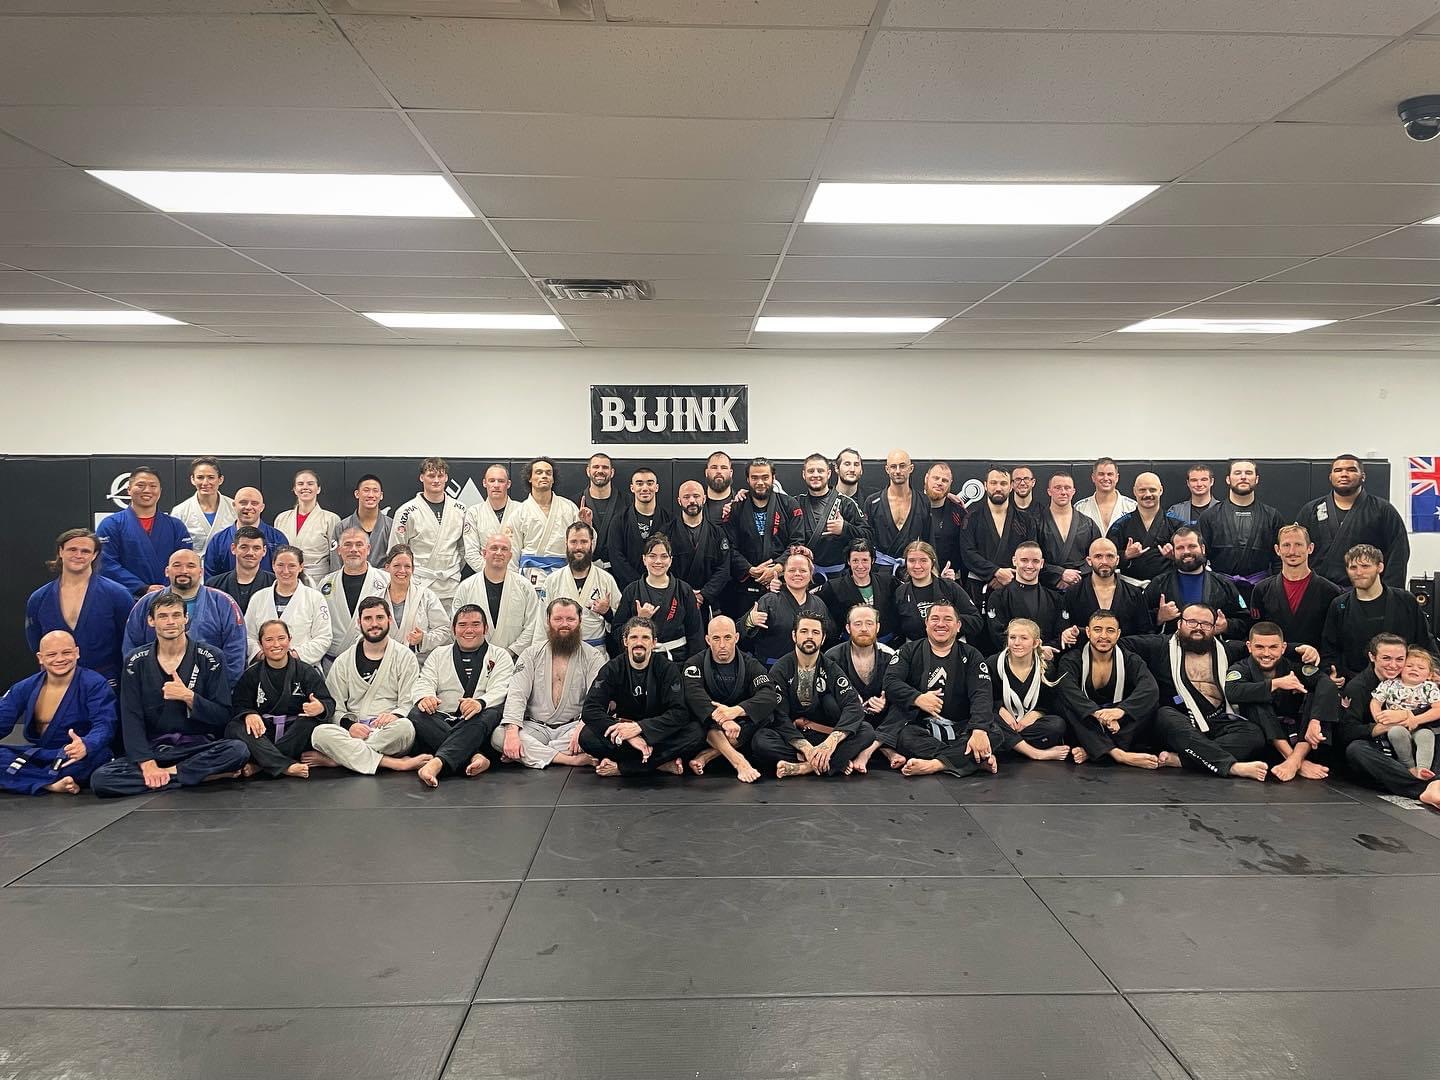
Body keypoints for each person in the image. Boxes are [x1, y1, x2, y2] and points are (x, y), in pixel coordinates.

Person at [90, 592, 247, 798]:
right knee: (101, 779)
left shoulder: (210, 657)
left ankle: (169, 775)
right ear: (151, 621)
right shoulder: (135, 662)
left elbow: (222, 715)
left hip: (197, 748)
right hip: (155, 749)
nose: (170, 622)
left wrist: (189, 697)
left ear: (186, 618)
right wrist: (147, 763)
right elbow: (131, 717)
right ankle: (199, 777)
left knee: (238, 750)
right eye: (163, 616)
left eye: (176, 615)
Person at [1128, 603, 1270, 782]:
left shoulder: (1228, 649)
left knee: (1254, 734)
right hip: (1179, 721)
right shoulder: (1158, 645)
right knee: (1164, 715)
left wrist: (1297, 649)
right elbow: (1119, 643)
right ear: (1179, 623)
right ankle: (1231, 766)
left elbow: (1261, 648)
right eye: (1192, 622)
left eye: (1205, 624)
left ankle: (1183, 760)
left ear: (1214, 628)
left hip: (1217, 719)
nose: (1198, 628)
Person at [308, 597, 430, 775]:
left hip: (387, 732)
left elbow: (407, 703)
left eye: (380, 617)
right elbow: (335, 705)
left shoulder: (405, 657)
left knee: (405, 728)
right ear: (359, 622)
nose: (374, 624)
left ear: (389, 619)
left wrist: (394, 716)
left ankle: (339, 759)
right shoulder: (343, 661)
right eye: (368, 618)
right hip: (354, 731)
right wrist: (350, 726)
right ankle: (393, 763)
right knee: (319, 733)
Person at [752, 614, 879, 778]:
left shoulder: (831, 668)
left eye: (815, 632)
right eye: (804, 631)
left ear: (823, 638)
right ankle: (831, 762)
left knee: (867, 731)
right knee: (761, 740)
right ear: (794, 635)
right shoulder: (781, 669)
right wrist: (806, 748)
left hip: (824, 735)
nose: (810, 637)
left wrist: (831, 743)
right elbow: (778, 715)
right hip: (793, 736)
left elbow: (853, 706)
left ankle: (806, 767)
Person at [882, 600, 997, 778]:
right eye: (935, 619)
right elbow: (890, 682)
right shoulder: (908, 650)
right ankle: (971, 760)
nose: (941, 624)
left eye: (948, 619)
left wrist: (979, 730)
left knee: (994, 732)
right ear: (926, 623)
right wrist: (917, 698)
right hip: (924, 728)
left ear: (958, 625)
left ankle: (935, 764)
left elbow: (982, 694)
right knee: (904, 736)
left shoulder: (972, 655)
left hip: (961, 726)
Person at [579, 617, 704, 777]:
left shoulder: (667, 669)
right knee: (587, 736)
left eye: (645, 637)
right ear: (625, 641)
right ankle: (659, 763)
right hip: (625, 734)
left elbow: (679, 713)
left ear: (654, 642)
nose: (639, 643)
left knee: (696, 732)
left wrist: (640, 728)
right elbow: (590, 709)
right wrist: (628, 735)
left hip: (657, 732)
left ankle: (625, 767)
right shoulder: (612, 668)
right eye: (634, 637)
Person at [491, 598, 605, 770]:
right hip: (535, 727)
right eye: (558, 619)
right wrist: (512, 732)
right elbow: (517, 695)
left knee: (597, 733)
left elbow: (597, 700)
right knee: (499, 735)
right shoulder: (530, 654)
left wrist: (582, 726)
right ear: (548, 621)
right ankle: (567, 759)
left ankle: (530, 753)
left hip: (573, 729)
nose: (564, 624)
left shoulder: (593, 657)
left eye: (570, 619)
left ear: (580, 621)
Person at [411, 604, 516, 788]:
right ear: (453, 630)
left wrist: (480, 703)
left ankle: (437, 763)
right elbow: (425, 680)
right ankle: (474, 756)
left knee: (491, 713)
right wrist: (426, 697)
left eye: (475, 624)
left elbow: (502, 689)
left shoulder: (500, 655)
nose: (469, 630)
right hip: (443, 719)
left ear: (485, 628)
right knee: (416, 713)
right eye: (462, 625)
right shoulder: (438, 654)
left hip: (478, 721)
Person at [0, 630, 115, 795]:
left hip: (73, 755)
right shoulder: (25, 687)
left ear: (77, 653)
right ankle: (50, 784)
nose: (60, 659)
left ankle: (28, 780)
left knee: (96, 759)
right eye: (52, 654)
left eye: (66, 652)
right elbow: (2, 718)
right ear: (40, 657)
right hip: (41, 754)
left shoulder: (95, 683)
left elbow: (105, 724)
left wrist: (86, 744)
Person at [1334, 635, 1440, 809]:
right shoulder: (1358, 687)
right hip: (1382, 748)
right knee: (1356, 750)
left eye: (1400, 659)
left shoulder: (1423, 683)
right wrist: (1386, 724)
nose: (1393, 665)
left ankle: (1430, 779)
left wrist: (1405, 715)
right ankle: (1425, 787)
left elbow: (1435, 711)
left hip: (1416, 740)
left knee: (1432, 736)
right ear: (1372, 657)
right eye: (1386, 658)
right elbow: (1347, 732)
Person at [1225, 621, 1336, 782]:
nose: (1266, 653)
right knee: (1255, 701)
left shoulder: (1293, 666)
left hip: (1300, 735)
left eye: (1273, 647)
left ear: (1283, 648)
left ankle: (1295, 759)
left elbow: (1326, 683)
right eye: (1259, 647)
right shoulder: (1241, 668)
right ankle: (1296, 761)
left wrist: (1315, 720)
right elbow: (1232, 691)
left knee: (1315, 694)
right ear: (1249, 647)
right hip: (1264, 738)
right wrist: (1276, 684)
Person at [227, 619, 335, 780]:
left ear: (290, 640)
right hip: (264, 732)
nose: (276, 644)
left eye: (281, 638)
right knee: (235, 727)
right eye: (269, 640)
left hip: (295, 735)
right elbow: (239, 704)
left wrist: (320, 707)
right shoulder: (251, 674)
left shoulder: (305, 671)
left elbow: (329, 703)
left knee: (310, 722)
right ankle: (284, 765)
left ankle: (262, 765)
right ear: (260, 644)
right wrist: (249, 714)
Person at [1053, 610, 1162, 769]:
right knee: (1065, 704)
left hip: (1116, 720)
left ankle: (1093, 750)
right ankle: (1117, 754)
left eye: (1110, 630)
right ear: (1088, 632)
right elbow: (1068, 691)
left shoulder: (1130, 659)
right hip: (1087, 722)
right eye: (1097, 630)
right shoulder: (1071, 659)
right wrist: (1098, 714)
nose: (1103, 636)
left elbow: (1149, 688)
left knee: (1151, 703)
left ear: (1118, 634)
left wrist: (1121, 711)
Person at [26, 528, 133, 687]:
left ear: (94, 555)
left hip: (106, 681)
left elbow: (129, 641)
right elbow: (36, 642)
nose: (78, 555)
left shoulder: (118, 594)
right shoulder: (39, 599)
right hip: (57, 682)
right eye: (72, 549)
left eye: (85, 551)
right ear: (60, 552)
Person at [122, 549, 247, 682]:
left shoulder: (223, 602)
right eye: (177, 565)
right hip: (154, 684)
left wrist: (222, 686)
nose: (183, 571)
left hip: (210, 686)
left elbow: (236, 650)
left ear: (201, 572)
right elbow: (131, 647)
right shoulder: (146, 603)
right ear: (167, 571)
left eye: (190, 566)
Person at [682, 614, 777, 781]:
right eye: (716, 638)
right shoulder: (694, 664)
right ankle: (739, 761)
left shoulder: (751, 664)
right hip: (710, 723)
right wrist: (723, 720)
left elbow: (768, 694)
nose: (722, 645)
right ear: (707, 640)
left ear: (736, 638)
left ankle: (708, 755)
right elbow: (694, 694)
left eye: (727, 637)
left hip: (739, 726)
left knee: (766, 715)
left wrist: (736, 711)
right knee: (696, 717)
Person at [1321, 543, 1436, 681]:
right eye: (1353, 567)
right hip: (1355, 683)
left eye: (1365, 566)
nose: (1359, 573)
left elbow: (1425, 641)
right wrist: (1331, 673)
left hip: (1403, 682)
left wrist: (1434, 670)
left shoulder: (1406, 601)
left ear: (1380, 567)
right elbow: (1329, 649)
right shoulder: (1339, 606)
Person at [1297, 454, 1410, 589]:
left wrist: (1390, 592)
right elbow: (1296, 550)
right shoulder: (1311, 510)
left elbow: (1398, 553)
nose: (1344, 474)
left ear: (1363, 476)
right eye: (1338, 470)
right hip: (1319, 589)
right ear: (1330, 477)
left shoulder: (1382, 510)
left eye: (1351, 470)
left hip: (1365, 589)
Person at [1248, 525, 1341, 668]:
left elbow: (1335, 640)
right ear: (1277, 550)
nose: (1292, 551)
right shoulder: (1261, 590)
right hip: (1273, 668)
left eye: (1298, 544)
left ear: (1310, 548)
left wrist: (1330, 668)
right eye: (1286, 545)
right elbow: (1256, 633)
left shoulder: (1331, 591)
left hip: (1315, 668)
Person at [97, 466, 193, 595]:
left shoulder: (176, 526)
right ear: (129, 490)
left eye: (153, 486)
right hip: (125, 596)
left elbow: (185, 561)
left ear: (160, 491)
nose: (147, 490)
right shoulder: (111, 524)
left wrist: (166, 589)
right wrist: (141, 587)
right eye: (140, 485)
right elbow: (106, 564)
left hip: (169, 597)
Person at [825, 603, 901, 765]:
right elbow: (827, 695)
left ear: (878, 627)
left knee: (906, 705)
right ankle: (884, 748)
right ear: (848, 628)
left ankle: (871, 748)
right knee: (829, 703)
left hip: (880, 719)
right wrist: (851, 702)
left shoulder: (891, 656)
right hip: (849, 720)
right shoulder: (832, 657)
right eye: (858, 624)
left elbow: (897, 689)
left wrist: (885, 702)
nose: (864, 629)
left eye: (869, 623)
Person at [723, 457, 804, 610]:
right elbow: (729, 547)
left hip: (781, 582)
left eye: (765, 477)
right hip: (744, 587)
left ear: (773, 478)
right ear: (747, 479)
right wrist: (749, 569)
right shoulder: (736, 508)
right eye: (754, 477)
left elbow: (797, 543)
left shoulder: (789, 505)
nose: (760, 482)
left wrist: (778, 567)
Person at [1144, 526, 1250, 638]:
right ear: (1173, 552)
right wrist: (1159, 617)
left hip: (1212, 645)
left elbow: (1245, 621)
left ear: (1202, 548)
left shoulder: (1223, 584)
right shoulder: (1159, 583)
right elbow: (1139, 622)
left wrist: (1226, 626)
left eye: (1192, 546)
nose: (1186, 552)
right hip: (1170, 645)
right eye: (1180, 548)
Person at [990, 618, 1071, 762]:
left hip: (1026, 726)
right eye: (1012, 637)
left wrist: (1037, 714)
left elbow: (1049, 703)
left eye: (1024, 638)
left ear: (1036, 643)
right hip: (1002, 721)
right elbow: (985, 698)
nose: (1017, 643)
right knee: (989, 721)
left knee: (1057, 725)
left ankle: (1007, 746)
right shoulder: (993, 664)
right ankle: (1034, 753)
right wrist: (1000, 709)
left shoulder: (1046, 669)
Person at [451, 532, 543, 658]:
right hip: (474, 657)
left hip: (514, 658)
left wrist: (510, 652)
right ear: (484, 553)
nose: (499, 552)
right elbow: (456, 624)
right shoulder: (466, 587)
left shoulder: (525, 587)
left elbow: (532, 624)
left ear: (510, 556)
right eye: (494, 548)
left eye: (504, 549)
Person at [392, 457, 466, 611]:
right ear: (422, 477)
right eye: (431, 476)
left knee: (451, 624)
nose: (436, 480)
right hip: (420, 583)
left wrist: (453, 568)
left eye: (440, 476)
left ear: (446, 478)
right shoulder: (406, 512)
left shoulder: (461, 509)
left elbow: (464, 548)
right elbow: (396, 551)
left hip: (451, 583)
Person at [613, 535, 703, 661]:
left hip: (677, 659)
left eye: (664, 556)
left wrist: (694, 664)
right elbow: (617, 632)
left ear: (671, 560)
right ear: (644, 559)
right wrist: (639, 620)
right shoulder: (631, 591)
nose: (658, 561)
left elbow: (696, 633)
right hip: (640, 659)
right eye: (652, 556)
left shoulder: (684, 590)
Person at [1196, 460, 1284, 585]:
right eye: (1237, 473)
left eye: (1248, 473)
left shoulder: (1272, 516)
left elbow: (1279, 560)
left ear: (1256, 479)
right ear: (1228, 479)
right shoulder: (1209, 516)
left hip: (1261, 588)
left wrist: (1275, 588)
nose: (1243, 477)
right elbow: (1201, 557)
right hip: (1220, 587)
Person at [242, 545, 332, 666]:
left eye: (292, 566)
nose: (285, 571)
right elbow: (247, 635)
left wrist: (292, 656)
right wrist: (263, 654)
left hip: (302, 667)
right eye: (280, 565)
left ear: (301, 567)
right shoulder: (258, 598)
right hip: (264, 667)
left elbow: (323, 637)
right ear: (273, 566)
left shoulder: (315, 598)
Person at [743, 549, 836, 665]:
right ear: (784, 574)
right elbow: (742, 636)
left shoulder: (819, 604)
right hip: (771, 668)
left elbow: (830, 636)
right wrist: (749, 621)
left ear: (810, 574)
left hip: (807, 667)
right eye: (792, 570)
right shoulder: (769, 600)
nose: (797, 574)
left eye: (803, 570)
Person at [958, 468, 1037, 602]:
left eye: (1003, 483)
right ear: (985, 485)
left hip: (1015, 584)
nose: (998, 488)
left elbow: (1032, 553)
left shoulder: (1026, 520)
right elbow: (967, 553)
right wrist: (995, 572)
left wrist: (1009, 575)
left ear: (1011, 486)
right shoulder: (971, 518)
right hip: (979, 587)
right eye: (993, 483)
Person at [541, 522, 622, 649]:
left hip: (595, 651)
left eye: (584, 542)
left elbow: (621, 622)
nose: (578, 547)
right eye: (573, 542)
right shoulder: (552, 580)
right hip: (561, 650)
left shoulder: (605, 579)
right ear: (566, 544)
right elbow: (542, 624)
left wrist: (607, 612)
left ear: (591, 544)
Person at [318, 527, 390, 666]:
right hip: (334, 663)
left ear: (368, 549)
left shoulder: (386, 581)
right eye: (347, 544)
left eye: (359, 544)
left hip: (376, 660)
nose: (353, 549)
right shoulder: (325, 584)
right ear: (339, 550)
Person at [671, 479, 742, 615]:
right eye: (686, 497)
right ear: (679, 501)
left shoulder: (718, 533)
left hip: (709, 603)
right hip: (676, 601)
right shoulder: (667, 532)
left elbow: (724, 570)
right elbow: (663, 568)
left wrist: (703, 595)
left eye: (696, 496)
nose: (692, 501)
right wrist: (684, 593)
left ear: (704, 499)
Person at [1060, 537, 1150, 643]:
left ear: (1117, 560)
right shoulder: (1073, 592)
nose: (1104, 561)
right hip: (1083, 651)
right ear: (1089, 561)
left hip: (1125, 651)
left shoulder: (1134, 593)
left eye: (1110, 556)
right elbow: (1065, 630)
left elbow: (1145, 633)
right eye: (1098, 556)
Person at [1369, 646, 1440, 779]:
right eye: (1409, 666)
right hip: (1395, 725)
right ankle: (1409, 766)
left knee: (1427, 736)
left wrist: (1416, 720)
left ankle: (1423, 768)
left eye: (1421, 668)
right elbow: (1375, 702)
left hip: (1420, 726)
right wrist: (1379, 718)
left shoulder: (1429, 687)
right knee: (1396, 733)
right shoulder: (1390, 684)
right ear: (1401, 669)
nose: (1414, 669)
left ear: (1430, 675)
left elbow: (1438, 708)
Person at [983, 541, 1066, 654]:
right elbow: (998, 635)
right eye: (1024, 560)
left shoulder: (1055, 598)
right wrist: (1034, 651)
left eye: (1035, 561)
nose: (1030, 566)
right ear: (1014, 561)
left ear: (1042, 563)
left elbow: (1061, 634)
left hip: (1047, 660)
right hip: (1010, 660)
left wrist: (1044, 651)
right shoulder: (998, 597)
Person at [794, 452, 870, 574]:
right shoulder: (795, 503)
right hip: (804, 573)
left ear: (828, 474)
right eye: (811, 471)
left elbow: (868, 535)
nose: (816, 475)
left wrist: (845, 528)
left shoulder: (845, 503)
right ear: (804, 474)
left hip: (838, 575)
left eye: (820, 471)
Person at [893, 541, 982, 644]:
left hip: (951, 647)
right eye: (912, 561)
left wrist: (949, 621)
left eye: (923, 560)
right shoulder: (900, 592)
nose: (917, 566)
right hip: (915, 649)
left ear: (932, 562)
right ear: (906, 563)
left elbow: (976, 621)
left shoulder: (950, 587)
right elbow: (896, 629)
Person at [513, 457, 582, 584]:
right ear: (530, 478)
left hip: (563, 572)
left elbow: (583, 544)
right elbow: (513, 550)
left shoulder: (568, 507)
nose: (544, 476)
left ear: (553, 479)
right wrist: (513, 581)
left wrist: (587, 525)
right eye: (539, 472)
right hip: (530, 575)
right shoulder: (519, 512)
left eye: (548, 473)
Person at [606, 466, 676, 588]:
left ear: (656, 487)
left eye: (650, 483)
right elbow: (616, 557)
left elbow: (673, 556)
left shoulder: (670, 520)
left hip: (663, 587)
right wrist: (639, 585)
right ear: (632, 488)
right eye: (639, 484)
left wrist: (656, 583)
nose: (645, 488)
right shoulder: (619, 520)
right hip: (628, 588)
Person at [381, 544, 452, 662]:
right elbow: (362, 630)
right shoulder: (377, 598)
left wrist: (423, 638)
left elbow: (444, 629)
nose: (402, 570)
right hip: (383, 661)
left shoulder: (426, 596)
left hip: (418, 663)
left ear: (413, 569)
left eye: (407, 566)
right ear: (387, 568)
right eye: (397, 565)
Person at [820, 540, 900, 643]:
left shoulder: (889, 582)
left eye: (865, 560)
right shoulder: (833, 587)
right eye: (855, 561)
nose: (860, 566)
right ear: (848, 561)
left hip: (888, 643)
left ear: (872, 560)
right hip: (850, 644)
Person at [1106, 472, 1178, 586]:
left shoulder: (1176, 524)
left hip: (1166, 585)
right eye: (1142, 490)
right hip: (1130, 587)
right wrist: (1126, 555)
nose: (1148, 494)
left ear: (1161, 490)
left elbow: (1192, 556)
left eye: (1152, 490)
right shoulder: (1120, 525)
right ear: (1134, 491)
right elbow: (1106, 558)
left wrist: (1175, 555)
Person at [202, 487, 286, 578]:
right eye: (243, 503)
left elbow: (284, 574)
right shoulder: (218, 541)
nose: (248, 507)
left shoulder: (278, 539)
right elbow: (210, 579)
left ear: (262, 507)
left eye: (254, 503)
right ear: (234, 505)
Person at [865, 449, 929, 568]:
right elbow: (866, 541)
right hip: (880, 569)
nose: (898, 471)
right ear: (887, 469)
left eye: (902, 466)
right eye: (893, 467)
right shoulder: (872, 502)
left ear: (911, 468)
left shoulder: (923, 501)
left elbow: (928, 541)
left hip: (913, 568)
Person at [1037, 471, 1100, 590]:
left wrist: (1076, 576)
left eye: (1067, 488)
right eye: (1057, 488)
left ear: (1073, 491)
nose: (1063, 492)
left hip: (1080, 586)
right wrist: (1059, 574)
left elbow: (1098, 557)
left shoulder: (1088, 524)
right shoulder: (1036, 522)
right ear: (1049, 491)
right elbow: (1030, 559)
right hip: (1047, 587)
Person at [275, 468, 341, 582]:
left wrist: (334, 581)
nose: (305, 487)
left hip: (318, 578)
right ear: (295, 489)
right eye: (300, 484)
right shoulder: (281, 518)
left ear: (318, 489)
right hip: (286, 575)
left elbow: (336, 556)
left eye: (310, 484)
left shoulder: (331, 519)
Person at [171, 456, 234, 561]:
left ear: (220, 479)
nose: (205, 483)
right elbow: (174, 547)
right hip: (194, 567)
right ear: (193, 479)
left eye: (211, 477)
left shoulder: (234, 508)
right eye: (200, 477)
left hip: (228, 566)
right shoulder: (180, 512)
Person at [462, 464, 519, 573]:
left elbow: (526, 549)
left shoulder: (521, 510)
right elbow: (471, 553)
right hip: (485, 574)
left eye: (501, 481)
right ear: (484, 483)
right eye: (492, 481)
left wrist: (512, 574)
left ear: (508, 484)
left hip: (515, 574)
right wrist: (492, 573)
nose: (496, 485)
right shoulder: (474, 513)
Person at [205, 526, 275, 613]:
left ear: (264, 551)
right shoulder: (214, 585)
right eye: (244, 547)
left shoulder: (275, 583)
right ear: (233, 548)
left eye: (256, 548)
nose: (250, 553)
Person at [921, 461, 968, 579]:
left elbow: (966, 549)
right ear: (926, 478)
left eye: (945, 480)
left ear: (950, 483)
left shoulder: (959, 513)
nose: (939, 483)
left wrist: (954, 572)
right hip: (915, 577)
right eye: (936, 478)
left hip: (949, 579)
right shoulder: (913, 506)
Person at [339, 474, 392, 569]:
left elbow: (396, 560)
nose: (371, 495)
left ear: (381, 495)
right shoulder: (342, 526)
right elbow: (336, 562)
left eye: (375, 491)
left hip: (383, 577)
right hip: (350, 575)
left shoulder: (391, 526)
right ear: (357, 494)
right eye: (366, 490)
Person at [1074, 457, 1136, 535]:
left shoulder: (1132, 507)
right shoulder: (1079, 508)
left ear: (1117, 478)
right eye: (1101, 474)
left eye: (1110, 474)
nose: (1106, 478)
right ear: (1093, 477)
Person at [576, 453, 618, 563]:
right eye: (596, 467)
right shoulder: (574, 504)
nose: (600, 471)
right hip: (585, 566)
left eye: (605, 467)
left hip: (618, 568)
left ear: (612, 472)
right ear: (588, 471)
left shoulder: (627, 503)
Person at [701, 450, 734, 525]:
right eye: (714, 467)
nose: (719, 471)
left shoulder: (741, 505)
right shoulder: (696, 505)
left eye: (724, 468)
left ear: (731, 473)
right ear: (706, 472)